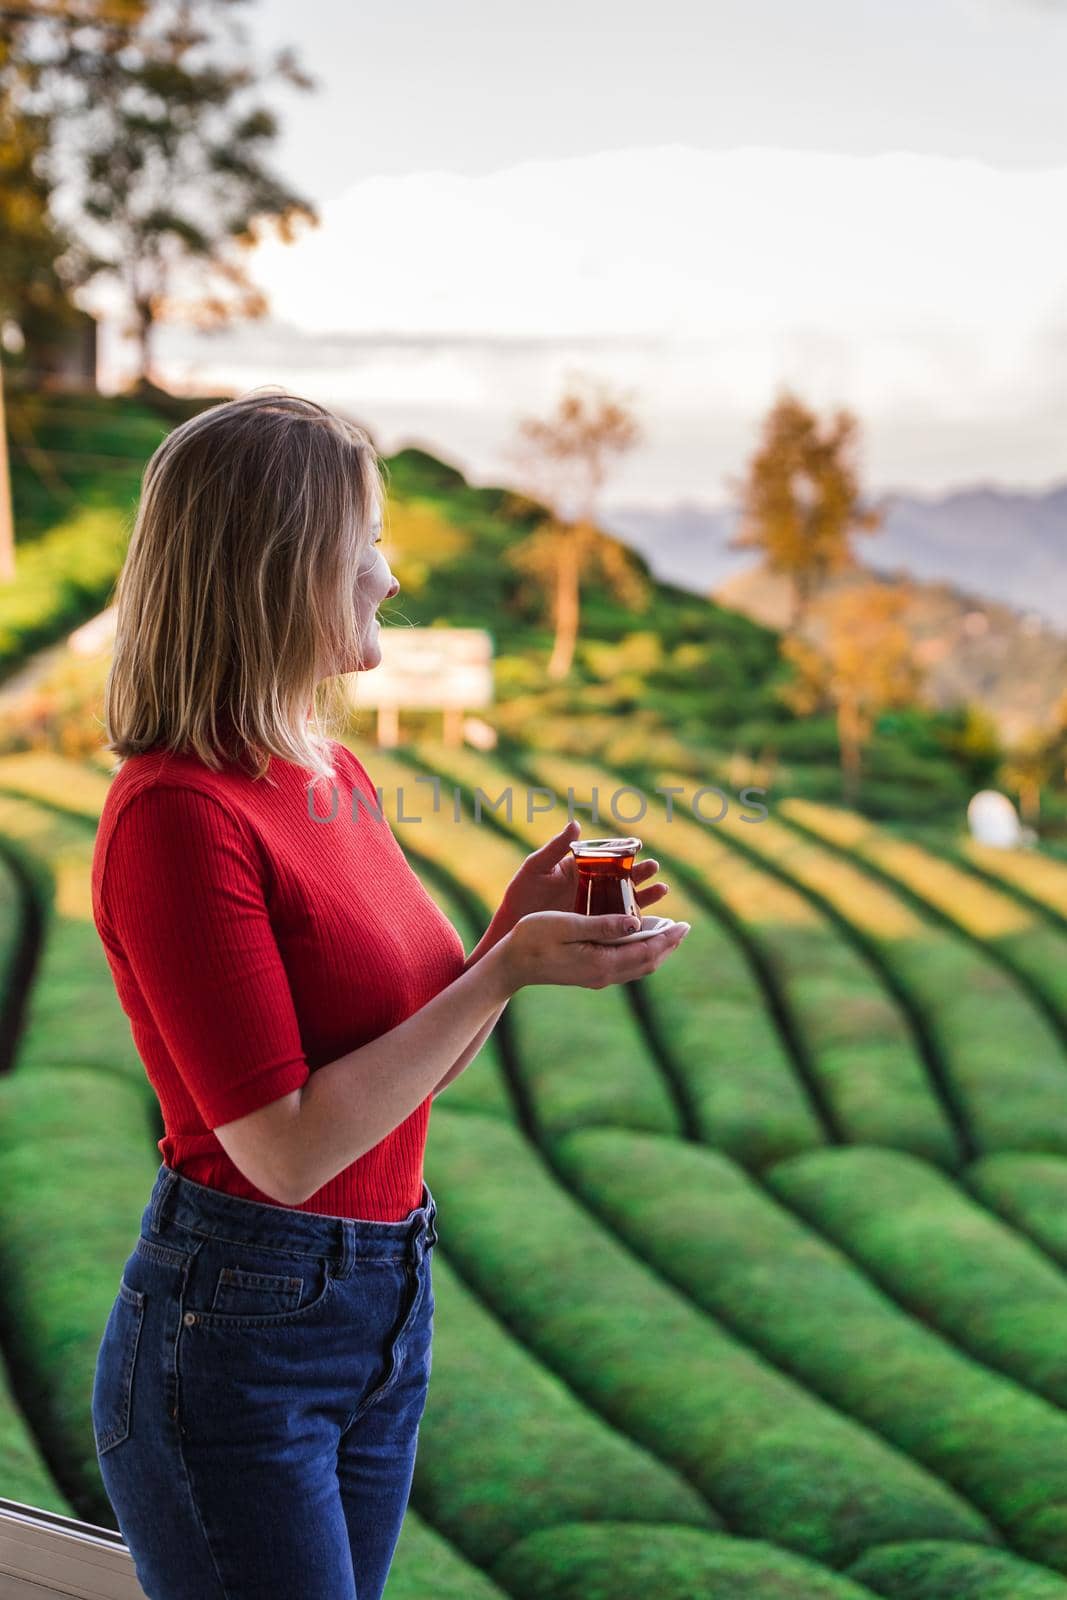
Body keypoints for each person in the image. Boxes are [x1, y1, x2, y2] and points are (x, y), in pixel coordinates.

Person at [89, 389, 690, 1600]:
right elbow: (287, 1151)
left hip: (377, 1304)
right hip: (241, 1330)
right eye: (365, 543)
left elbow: (395, 1060)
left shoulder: (326, 772)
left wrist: (502, 943)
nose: (389, 577)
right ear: (281, 567)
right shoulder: (176, 814)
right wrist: (503, 972)